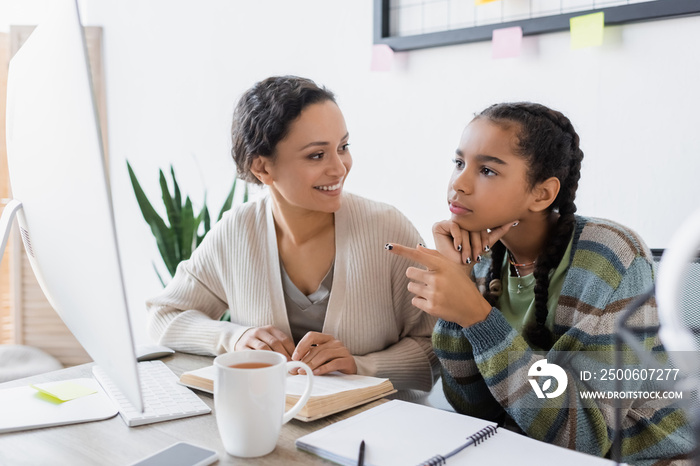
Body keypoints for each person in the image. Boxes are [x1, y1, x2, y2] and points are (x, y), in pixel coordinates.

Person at [387, 102, 693, 463]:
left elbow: (583, 436)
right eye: (459, 163)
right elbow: (475, 409)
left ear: (543, 194)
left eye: (486, 170)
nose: (459, 184)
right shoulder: (485, 258)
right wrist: (460, 284)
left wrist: (476, 316)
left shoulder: (613, 257)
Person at [146, 76, 438, 394]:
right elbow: (164, 316)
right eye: (316, 155)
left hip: (376, 430)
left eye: (343, 147)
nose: (339, 168)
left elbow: (438, 344)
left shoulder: (387, 230)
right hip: (271, 425)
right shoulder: (237, 232)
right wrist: (234, 338)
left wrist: (360, 367)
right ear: (262, 168)